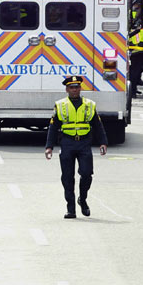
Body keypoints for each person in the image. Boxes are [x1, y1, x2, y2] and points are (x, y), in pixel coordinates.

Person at [44, 76, 108, 219]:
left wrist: (103, 142)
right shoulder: (60, 105)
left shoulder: (89, 105)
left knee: (86, 174)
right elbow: (53, 127)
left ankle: (82, 199)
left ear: (80, 88)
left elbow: (98, 125)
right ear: (67, 89)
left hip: (84, 143)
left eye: (77, 87)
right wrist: (49, 146)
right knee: (67, 177)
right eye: (71, 87)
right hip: (67, 143)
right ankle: (71, 208)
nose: (74, 90)